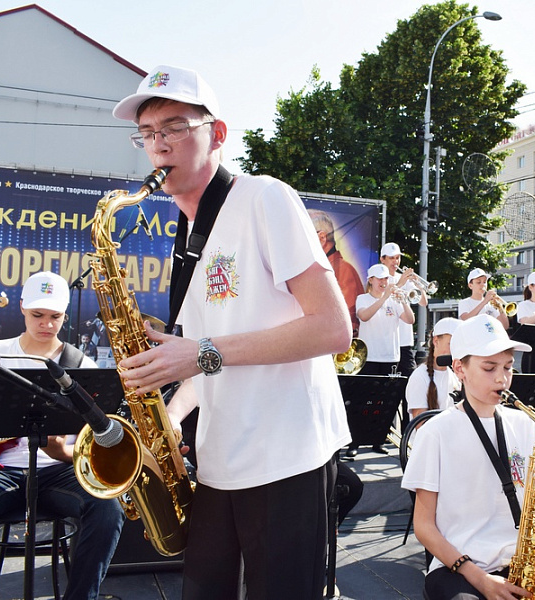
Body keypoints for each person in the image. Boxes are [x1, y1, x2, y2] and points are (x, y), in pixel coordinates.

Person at [112, 65, 352, 600]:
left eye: (173, 128)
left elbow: (334, 328)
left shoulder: (264, 197)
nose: (158, 146)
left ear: (216, 133)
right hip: (221, 455)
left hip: (287, 453)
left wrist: (201, 352)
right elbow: (204, 360)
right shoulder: (184, 231)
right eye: (148, 135)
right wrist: (170, 420)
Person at [0, 271, 125, 600]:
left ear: (65, 315)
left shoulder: (82, 367)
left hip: (55, 473)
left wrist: (61, 452)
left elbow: (82, 450)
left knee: (109, 510)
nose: (46, 324)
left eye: (55, 317)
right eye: (38, 315)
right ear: (22, 307)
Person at [401, 315, 535, 600]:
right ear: (460, 368)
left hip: (521, 563)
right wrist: (479, 578)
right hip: (457, 568)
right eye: (489, 367)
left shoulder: (526, 424)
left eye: (508, 367)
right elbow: (424, 526)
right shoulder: (435, 432)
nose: (502, 378)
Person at [348, 263, 415, 457]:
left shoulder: (394, 299)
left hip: (390, 357)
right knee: (363, 400)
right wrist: (384, 298)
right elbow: (364, 316)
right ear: (370, 280)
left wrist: (402, 300)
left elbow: (410, 320)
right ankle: (355, 442)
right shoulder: (363, 298)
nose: (383, 282)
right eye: (379, 279)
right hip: (369, 356)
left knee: (384, 403)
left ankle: (378, 440)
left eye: (386, 279)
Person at [308, 209, 364, 336]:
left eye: (305, 235)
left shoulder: (343, 270)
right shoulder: (327, 268)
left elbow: (345, 319)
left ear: (322, 238)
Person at [380, 242, 428, 376]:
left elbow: (423, 302)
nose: (395, 262)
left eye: (397, 258)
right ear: (382, 259)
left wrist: (418, 284)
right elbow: (383, 299)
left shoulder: (404, 279)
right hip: (387, 340)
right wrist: (401, 282)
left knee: (409, 379)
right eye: (391, 258)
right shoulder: (379, 279)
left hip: (404, 340)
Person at [405, 317, 461, 420]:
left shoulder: (454, 375)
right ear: (436, 341)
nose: (455, 349)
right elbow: (420, 424)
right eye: (451, 344)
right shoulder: (419, 377)